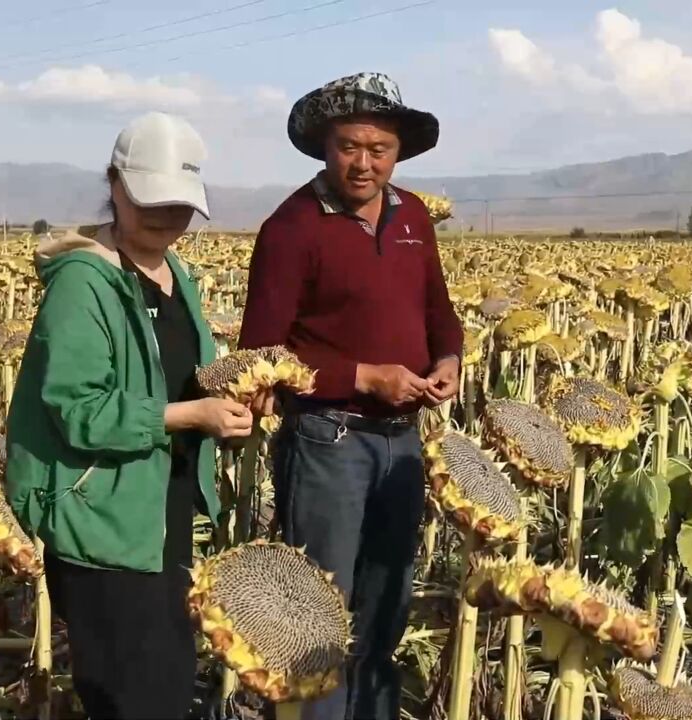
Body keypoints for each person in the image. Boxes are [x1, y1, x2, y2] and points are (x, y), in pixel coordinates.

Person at [5, 112, 259, 719]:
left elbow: (183, 377)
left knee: (164, 683)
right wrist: (190, 414)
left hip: (159, 511)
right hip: (102, 517)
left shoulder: (177, 275)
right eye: (151, 199)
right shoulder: (83, 283)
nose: (166, 216)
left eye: (179, 205)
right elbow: (79, 410)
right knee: (135, 695)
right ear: (114, 183)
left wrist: (236, 397)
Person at [237, 72, 462, 720]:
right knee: (321, 622)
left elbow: (437, 311)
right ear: (324, 147)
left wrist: (448, 357)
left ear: (399, 152)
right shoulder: (292, 227)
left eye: (379, 148)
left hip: (402, 445)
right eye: (349, 146)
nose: (364, 163)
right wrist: (363, 375)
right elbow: (263, 356)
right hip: (328, 440)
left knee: (387, 609)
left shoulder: (413, 216)